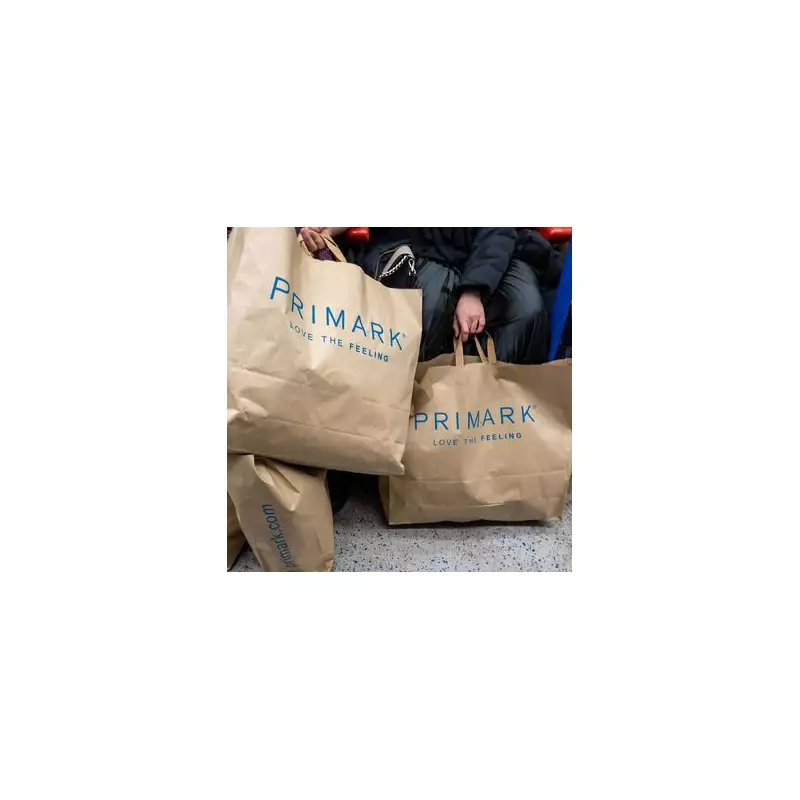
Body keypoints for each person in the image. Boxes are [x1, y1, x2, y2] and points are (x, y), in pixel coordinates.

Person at [299, 227, 549, 364]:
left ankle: (495, 406)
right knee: (430, 308)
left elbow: (499, 233)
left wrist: (474, 291)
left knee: (526, 309)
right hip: (413, 244)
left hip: (485, 247)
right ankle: (419, 409)